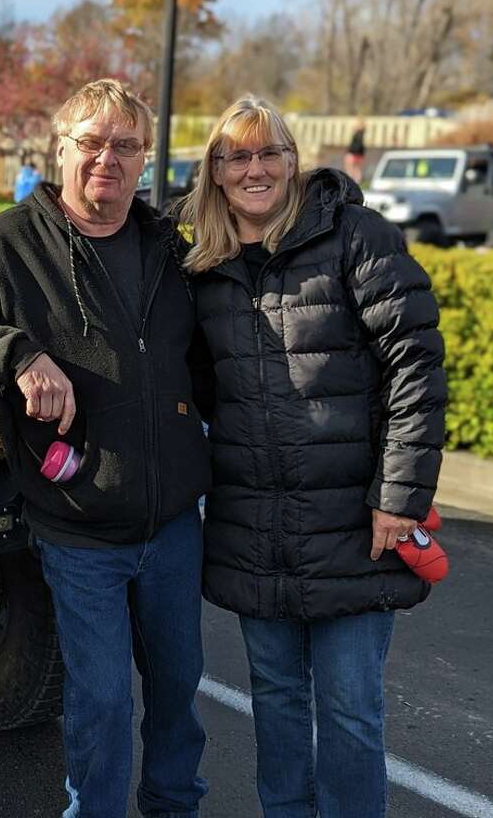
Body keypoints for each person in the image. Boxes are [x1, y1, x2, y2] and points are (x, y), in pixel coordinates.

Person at [0, 78, 211, 818]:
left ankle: (175, 809)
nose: (108, 158)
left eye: (126, 146)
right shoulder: (7, 243)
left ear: (145, 159)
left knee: (177, 690)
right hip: (79, 526)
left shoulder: (168, 248)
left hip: (173, 522)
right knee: (103, 702)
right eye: (93, 143)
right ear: (61, 150)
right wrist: (17, 355)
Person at [182, 95, 446, 818]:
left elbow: (416, 365)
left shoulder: (356, 236)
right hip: (254, 525)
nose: (257, 169)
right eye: (239, 156)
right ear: (216, 170)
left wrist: (401, 494)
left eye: (272, 152)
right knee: (275, 702)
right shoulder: (202, 262)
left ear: (295, 161)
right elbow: (199, 389)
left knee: (351, 709)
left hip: (354, 521)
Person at [344, 119, 366, 183]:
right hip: (359, 154)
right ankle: (356, 182)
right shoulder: (361, 134)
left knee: (350, 169)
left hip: (353, 154)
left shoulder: (358, 134)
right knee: (357, 170)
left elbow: (355, 146)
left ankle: (349, 182)